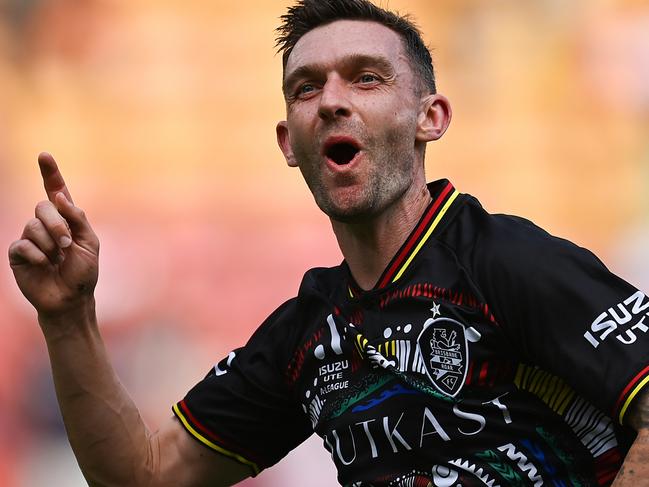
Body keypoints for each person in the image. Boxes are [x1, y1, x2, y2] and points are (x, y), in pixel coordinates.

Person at [7, 0, 649, 486]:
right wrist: (67, 319)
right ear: (289, 141)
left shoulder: (510, 264)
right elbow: (144, 475)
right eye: (307, 87)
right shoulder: (307, 335)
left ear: (432, 117)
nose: (333, 102)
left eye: (366, 78)